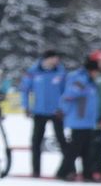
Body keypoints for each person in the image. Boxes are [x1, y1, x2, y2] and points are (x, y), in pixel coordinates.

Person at [22, 50, 69, 179]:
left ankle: (68, 169)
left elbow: (66, 92)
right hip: (39, 112)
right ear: (46, 59)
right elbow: (25, 90)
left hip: (56, 112)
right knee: (36, 141)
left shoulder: (61, 72)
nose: (56, 61)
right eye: (54, 59)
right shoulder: (33, 72)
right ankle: (36, 170)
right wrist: (26, 106)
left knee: (62, 140)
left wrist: (63, 108)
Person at [60, 52, 101, 181]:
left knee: (87, 150)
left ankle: (87, 173)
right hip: (79, 120)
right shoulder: (80, 79)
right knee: (74, 150)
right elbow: (70, 94)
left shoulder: (91, 82)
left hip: (88, 121)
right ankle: (64, 171)